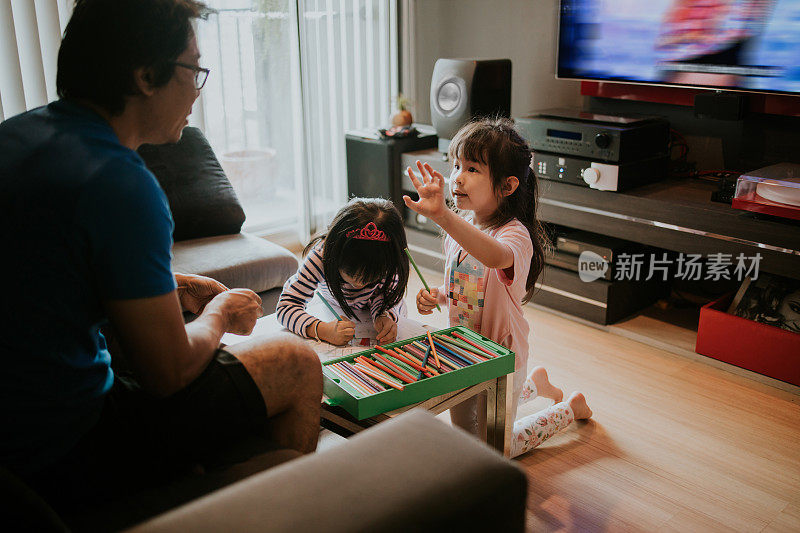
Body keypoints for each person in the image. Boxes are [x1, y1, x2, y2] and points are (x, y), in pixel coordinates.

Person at [0, 0, 322, 524]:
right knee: (298, 361)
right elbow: (168, 374)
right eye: (193, 70)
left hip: (15, 442)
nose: (198, 90)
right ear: (145, 75)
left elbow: (50, 275)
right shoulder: (119, 181)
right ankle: (270, 511)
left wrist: (167, 285)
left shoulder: (18, 137)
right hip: (66, 445)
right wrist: (220, 314)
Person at [405, 118, 592, 458]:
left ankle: (568, 409)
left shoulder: (515, 235)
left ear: (507, 186)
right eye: (456, 165)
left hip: (501, 359)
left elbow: (493, 258)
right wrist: (438, 295)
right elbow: (466, 285)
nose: (457, 177)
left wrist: (445, 216)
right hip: (463, 352)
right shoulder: (459, 231)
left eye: (473, 168)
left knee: (495, 451)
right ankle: (538, 385)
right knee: (464, 438)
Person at [277, 198, 410, 346]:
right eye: (352, 275)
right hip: (335, 311)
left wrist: (385, 315)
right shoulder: (321, 257)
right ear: (334, 254)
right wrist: (321, 330)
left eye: (371, 278)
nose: (360, 284)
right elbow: (286, 306)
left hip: (375, 316)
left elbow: (388, 296)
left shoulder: (390, 260)